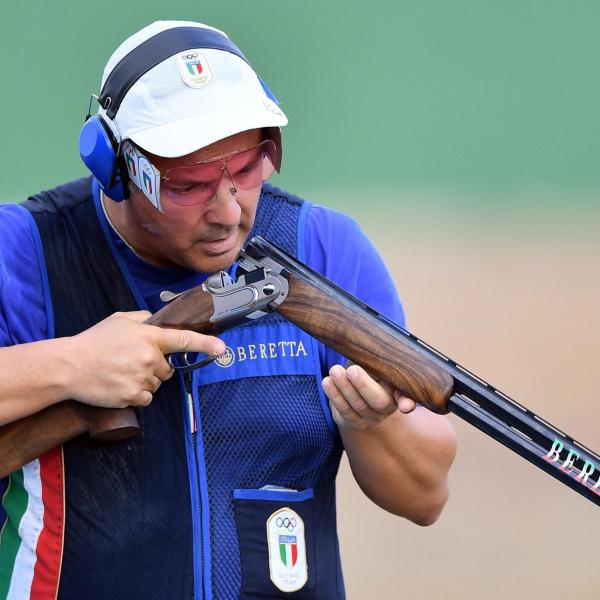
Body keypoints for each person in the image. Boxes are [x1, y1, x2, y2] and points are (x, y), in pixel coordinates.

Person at [0, 20, 456, 599]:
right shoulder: (22, 252)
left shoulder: (322, 250)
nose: (226, 212)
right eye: (188, 186)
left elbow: (425, 497)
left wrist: (373, 424)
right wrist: (74, 365)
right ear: (115, 168)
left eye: (245, 171)